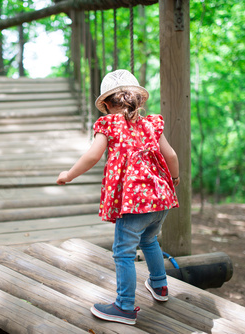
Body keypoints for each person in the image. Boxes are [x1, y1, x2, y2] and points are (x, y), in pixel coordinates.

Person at [56, 69, 180, 326]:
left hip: (135, 204)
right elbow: (172, 156)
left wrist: (69, 174)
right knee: (149, 240)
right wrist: (175, 178)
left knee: (123, 252)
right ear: (139, 100)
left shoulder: (109, 124)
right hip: (161, 199)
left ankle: (124, 306)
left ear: (107, 104)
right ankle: (160, 286)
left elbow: (92, 157)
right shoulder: (152, 123)